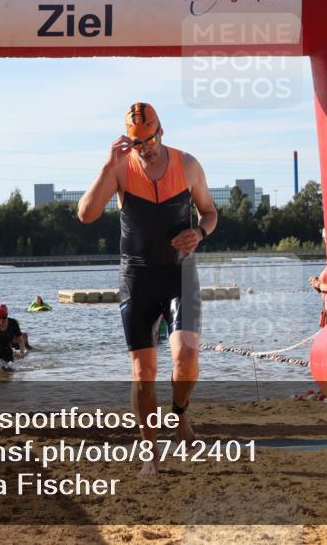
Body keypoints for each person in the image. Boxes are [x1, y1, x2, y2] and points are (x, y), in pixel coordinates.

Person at [78, 102, 218, 476]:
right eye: (138, 143)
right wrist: (108, 166)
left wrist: (200, 232)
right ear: (129, 141)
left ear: (161, 131)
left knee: (186, 356)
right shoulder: (121, 169)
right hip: (136, 279)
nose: (146, 147)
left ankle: (181, 415)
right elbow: (86, 214)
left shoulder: (187, 165)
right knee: (143, 372)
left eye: (151, 139)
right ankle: (149, 450)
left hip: (179, 273)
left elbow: (210, 212)